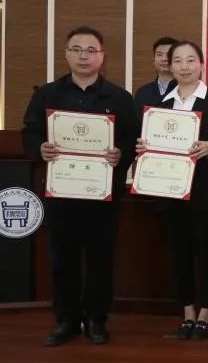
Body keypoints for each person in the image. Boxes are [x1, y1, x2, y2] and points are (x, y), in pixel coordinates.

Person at [22, 26, 138, 346]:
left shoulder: (119, 98)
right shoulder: (47, 94)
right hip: (61, 192)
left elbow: (131, 139)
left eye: (91, 50)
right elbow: (30, 133)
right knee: (63, 259)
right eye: (76, 49)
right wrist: (40, 148)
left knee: (101, 259)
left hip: (102, 194)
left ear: (102, 55)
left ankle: (97, 320)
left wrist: (121, 153)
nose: (83, 56)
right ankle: (66, 320)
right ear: (66, 54)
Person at [136, 41, 208, 340]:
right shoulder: (161, 104)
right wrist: (144, 147)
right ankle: (188, 312)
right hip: (169, 193)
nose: (184, 66)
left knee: (207, 255)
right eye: (177, 61)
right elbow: (150, 142)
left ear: (202, 65)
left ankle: (206, 312)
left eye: (190, 60)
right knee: (178, 255)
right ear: (170, 66)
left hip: (205, 193)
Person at [133, 36, 178, 114]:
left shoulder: (187, 91)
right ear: (153, 60)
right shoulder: (142, 93)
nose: (164, 59)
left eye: (169, 54)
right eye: (159, 55)